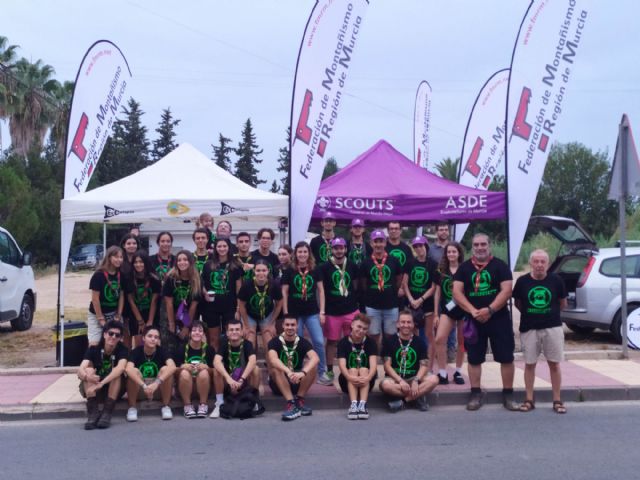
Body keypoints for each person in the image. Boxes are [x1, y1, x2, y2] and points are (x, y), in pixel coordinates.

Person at [452, 233, 518, 411]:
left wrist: (490, 309)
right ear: (472, 247)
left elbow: (507, 290)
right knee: (474, 359)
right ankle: (475, 393)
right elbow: (456, 293)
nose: (480, 247)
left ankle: (508, 395)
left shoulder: (500, 265)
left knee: (506, 357)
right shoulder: (464, 268)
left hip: (499, 319)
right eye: (476, 245)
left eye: (483, 244)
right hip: (474, 321)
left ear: (489, 245)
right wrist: (473, 311)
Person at [513, 249, 568, 414]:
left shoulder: (557, 280)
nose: (539, 265)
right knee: (529, 364)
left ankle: (557, 400)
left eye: (542, 262)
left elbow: (562, 303)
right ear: (530, 263)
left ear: (548, 264)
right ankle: (529, 399)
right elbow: (518, 303)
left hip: (552, 327)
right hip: (529, 328)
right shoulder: (522, 282)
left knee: (554, 364)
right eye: (536, 262)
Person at [281, 241, 329, 385]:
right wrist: (286, 313)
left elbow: (321, 291)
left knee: (319, 342)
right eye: (299, 252)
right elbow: (284, 292)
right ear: (295, 254)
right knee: (298, 343)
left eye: (305, 252)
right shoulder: (289, 270)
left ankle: (322, 372)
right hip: (295, 314)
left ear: (309, 254)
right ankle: (298, 372)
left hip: (312, 312)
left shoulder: (315, 269)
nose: (302, 254)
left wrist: (322, 311)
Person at [318, 237, 360, 386]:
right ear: (332, 250)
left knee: (353, 341)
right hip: (332, 312)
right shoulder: (324, 267)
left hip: (351, 310)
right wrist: (322, 311)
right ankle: (329, 371)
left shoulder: (353, 266)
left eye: (341, 248)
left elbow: (355, 286)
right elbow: (321, 290)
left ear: (346, 249)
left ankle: (351, 368)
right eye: (336, 248)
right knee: (332, 342)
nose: (339, 251)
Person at [379, 310, 438, 412]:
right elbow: (387, 366)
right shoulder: (389, 341)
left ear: (413, 324)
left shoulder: (420, 342)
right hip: (395, 379)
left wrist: (416, 380)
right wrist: (400, 381)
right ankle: (417, 397)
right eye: (403, 322)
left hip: (413, 378)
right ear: (398, 324)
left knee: (434, 379)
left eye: (409, 322)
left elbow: (424, 365)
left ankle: (405, 401)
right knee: (385, 385)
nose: (406, 325)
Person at [77, 320, 128, 429]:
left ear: (120, 338)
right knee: (88, 370)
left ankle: (107, 413)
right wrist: (87, 377)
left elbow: (121, 368)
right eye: (110, 333)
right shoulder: (93, 349)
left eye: (117, 335)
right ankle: (93, 413)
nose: (113, 337)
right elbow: (80, 369)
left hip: (112, 390)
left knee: (116, 373)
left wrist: (102, 383)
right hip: (92, 390)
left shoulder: (123, 350)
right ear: (104, 334)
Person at [267, 315, 319, 421]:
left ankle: (299, 401)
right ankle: (291, 404)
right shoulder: (274, 342)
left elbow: (315, 358)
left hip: (297, 381)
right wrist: (288, 372)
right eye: (287, 325)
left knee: (313, 367)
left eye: (293, 325)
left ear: (297, 326)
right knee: (275, 368)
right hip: (279, 383)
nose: (290, 327)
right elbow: (273, 359)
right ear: (282, 326)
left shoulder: (303, 342)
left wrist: (302, 373)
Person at [360, 229, 403, 347]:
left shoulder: (394, 260)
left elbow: (399, 279)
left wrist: (393, 291)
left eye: (381, 241)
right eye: (376, 241)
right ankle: (374, 358)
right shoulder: (366, 262)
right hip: (372, 305)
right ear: (371, 243)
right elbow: (364, 284)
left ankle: (388, 359)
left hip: (391, 304)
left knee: (391, 334)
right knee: (373, 335)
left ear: (385, 242)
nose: (378, 244)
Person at [125, 325, 177, 421]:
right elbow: (128, 369)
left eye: (156, 337)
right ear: (143, 338)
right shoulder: (136, 351)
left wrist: (156, 383)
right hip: (141, 389)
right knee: (134, 371)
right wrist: (145, 386)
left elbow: (173, 367)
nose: (153, 339)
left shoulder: (163, 351)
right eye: (150, 336)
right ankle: (132, 408)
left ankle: (166, 407)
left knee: (166, 369)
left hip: (158, 389)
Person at [213, 318, 262, 418]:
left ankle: (253, 400)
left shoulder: (247, 344)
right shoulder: (224, 344)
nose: (234, 332)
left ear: (242, 332)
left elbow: (252, 360)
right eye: (231, 330)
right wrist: (228, 379)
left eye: (237, 329)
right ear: (227, 333)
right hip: (229, 381)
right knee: (216, 370)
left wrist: (242, 379)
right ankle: (219, 403)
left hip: (243, 380)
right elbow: (216, 361)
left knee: (256, 369)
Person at [403, 236, 437, 372]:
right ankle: (416, 363)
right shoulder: (410, 263)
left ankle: (429, 367)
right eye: (416, 246)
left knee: (429, 335)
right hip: (412, 304)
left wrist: (421, 300)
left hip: (427, 304)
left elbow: (434, 287)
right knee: (413, 336)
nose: (419, 248)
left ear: (426, 246)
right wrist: (411, 300)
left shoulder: (433, 264)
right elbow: (405, 283)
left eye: (421, 245)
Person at [433, 242, 466, 385]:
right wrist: (435, 314)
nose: (451, 254)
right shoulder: (441, 270)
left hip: (463, 309)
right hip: (447, 310)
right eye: (449, 252)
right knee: (439, 339)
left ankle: (458, 372)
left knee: (462, 341)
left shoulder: (465, 269)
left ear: (459, 253)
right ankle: (442, 373)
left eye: (454, 252)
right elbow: (437, 292)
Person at [201, 238, 242, 350]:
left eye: (224, 246)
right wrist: (205, 293)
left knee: (230, 338)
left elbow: (239, 289)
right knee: (213, 339)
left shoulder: (235, 265)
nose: (222, 249)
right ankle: (215, 364)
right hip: (211, 307)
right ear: (215, 248)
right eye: (219, 246)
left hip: (230, 307)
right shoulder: (208, 265)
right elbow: (202, 283)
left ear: (229, 248)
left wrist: (238, 309)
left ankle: (227, 363)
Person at [336, 313, 378, 420]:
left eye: (365, 329)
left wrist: (368, 378)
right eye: (359, 327)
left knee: (364, 369)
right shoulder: (343, 342)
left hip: (367, 380)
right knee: (353, 369)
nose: (361, 330)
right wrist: (350, 377)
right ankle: (354, 406)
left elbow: (373, 365)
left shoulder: (371, 342)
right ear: (352, 325)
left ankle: (362, 405)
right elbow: (342, 365)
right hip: (347, 380)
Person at [428, 222, 457, 364]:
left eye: (446, 229)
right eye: (441, 229)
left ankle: (451, 354)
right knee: (437, 324)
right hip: (438, 292)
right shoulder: (431, 249)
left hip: (453, 296)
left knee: (452, 326)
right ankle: (439, 353)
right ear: (436, 231)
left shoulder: (454, 247)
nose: (444, 232)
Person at [162, 250, 200, 358]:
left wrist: (187, 327)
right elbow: (168, 303)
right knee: (169, 341)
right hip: (171, 313)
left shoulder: (196, 280)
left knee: (185, 341)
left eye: (185, 260)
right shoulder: (171, 278)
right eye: (179, 260)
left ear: (191, 262)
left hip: (188, 316)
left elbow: (194, 305)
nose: (182, 262)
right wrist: (172, 324)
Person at [174, 321, 216, 419]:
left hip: (204, 387)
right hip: (185, 386)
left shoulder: (210, 350)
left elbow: (217, 371)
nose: (197, 333)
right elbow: (173, 370)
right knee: (184, 373)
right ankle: (187, 406)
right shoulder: (181, 349)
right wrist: (182, 367)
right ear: (189, 334)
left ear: (204, 334)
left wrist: (207, 368)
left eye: (200, 331)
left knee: (204, 372)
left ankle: (203, 405)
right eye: (194, 330)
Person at [237, 259, 282, 349]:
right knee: (249, 341)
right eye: (258, 270)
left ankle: (270, 363)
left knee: (270, 344)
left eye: (264, 270)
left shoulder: (274, 284)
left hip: (267, 314)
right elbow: (241, 305)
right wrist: (246, 325)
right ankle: (251, 362)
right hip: (249, 315)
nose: (261, 273)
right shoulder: (247, 285)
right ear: (254, 271)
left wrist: (272, 323)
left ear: (268, 271)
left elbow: (279, 304)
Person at [87, 246, 125, 346]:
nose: (119, 260)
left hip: (114, 314)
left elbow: (121, 296)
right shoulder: (98, 275)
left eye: (121, 257)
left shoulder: (121, 274)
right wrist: (101, 319)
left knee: (116, 344)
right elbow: (95, 299)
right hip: (97, 314)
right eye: (116, 257)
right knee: (94, 345)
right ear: (109, 257)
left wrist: (119, 315)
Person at [127, 251, 162, 347]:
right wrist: (140, 321)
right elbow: (131, 301)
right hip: (136, 315)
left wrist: (150, 321)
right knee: (140, 344)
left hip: (151, 314)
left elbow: (154, 301)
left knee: (153, 342)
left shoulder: (154, 279)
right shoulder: (129, 278)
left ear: (146, 263)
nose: (138, 264)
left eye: (141, 262)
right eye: (136, 262)